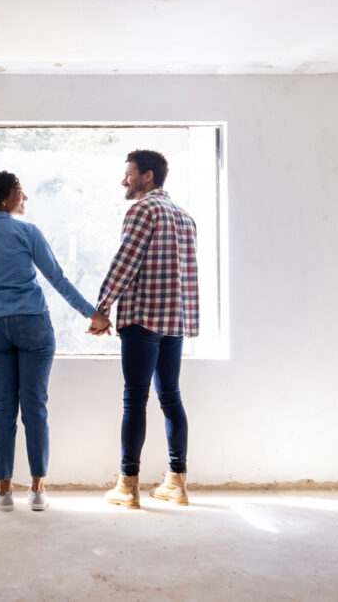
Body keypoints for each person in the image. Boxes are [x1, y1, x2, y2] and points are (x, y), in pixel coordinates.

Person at [0, 171, 111, 512]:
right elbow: (56, 277)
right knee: (35, 409)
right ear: (5, 199)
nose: (25, 199)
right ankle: (38, 491)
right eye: (20, 193)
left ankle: (4, 493)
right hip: (34, 328)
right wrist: (93, 315)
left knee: (3, 411)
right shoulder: (26, 232)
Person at [90, 150, 199, 509]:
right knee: (171, 397)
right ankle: (176, 483)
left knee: (134, 398)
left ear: (148, 176)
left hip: (143, 319)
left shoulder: (142, 210)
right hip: (174, 321)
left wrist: (102, 308)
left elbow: (125, 261)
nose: (125, 180)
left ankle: (128, 485)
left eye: (129, 174)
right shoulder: (184, 216)